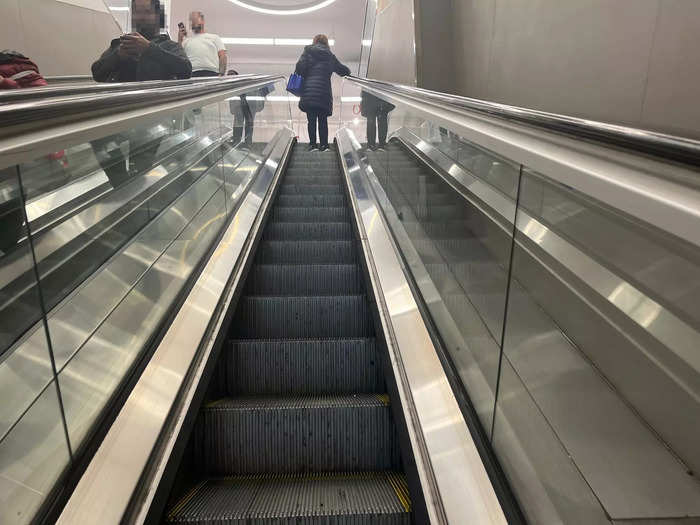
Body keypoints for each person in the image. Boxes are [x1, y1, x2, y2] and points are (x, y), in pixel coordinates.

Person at [91, 0, 191, 187]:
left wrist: (149, 49)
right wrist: (118, 56)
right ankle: (122, 186)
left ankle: (134, 191)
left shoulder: (169, 46)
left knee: (140, 170)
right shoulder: (120, 45)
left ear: (157, 16)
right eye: (137, 12)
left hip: (154, 119)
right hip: (119, 117)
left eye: (147, 12)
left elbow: (185, 70)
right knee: (98, 139)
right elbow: (96, 73)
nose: (142, 16)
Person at [294, 34, 350, 151]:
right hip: (324, 94)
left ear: (314, 41)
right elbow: (343, 70)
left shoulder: (307, 52)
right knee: (323, 120)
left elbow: (299, 67)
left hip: (309, 92)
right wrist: (348, 71)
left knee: (311, 120)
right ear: (326, 43)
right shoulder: (329, 55)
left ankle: (312, 145)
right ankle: (324, 145)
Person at [178, 11, 227, 77]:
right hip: (192, 75)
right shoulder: (186, 41)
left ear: (202, 20)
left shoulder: (214, 37)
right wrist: (180, 39)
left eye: (195, 18)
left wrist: (221, 74)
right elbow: (179, 57)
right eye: (191, 20)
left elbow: (222, 56)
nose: (193, 21)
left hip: (212, 74)